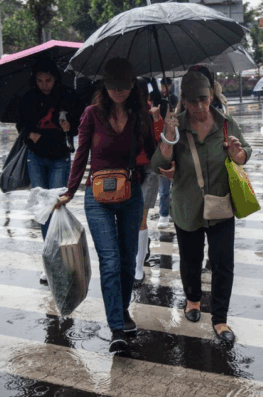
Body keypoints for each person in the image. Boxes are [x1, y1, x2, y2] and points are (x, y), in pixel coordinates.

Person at [55, 58, 156, 353]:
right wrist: (70, 191)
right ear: (105, 86)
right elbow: (81, 154)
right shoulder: (91, 114)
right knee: (110, 261)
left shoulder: (140, 114)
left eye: (123, 87)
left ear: (132, 85)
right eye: (113, 87)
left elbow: (153, 154)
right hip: (97, 197)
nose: (118, 92)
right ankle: (116, 329)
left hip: (131, 193)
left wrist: (167, 130)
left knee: (127, 260)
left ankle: (121, 311)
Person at [151, 66, 252, 343]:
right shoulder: (177, 126)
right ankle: (193, 299)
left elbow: (246, 151)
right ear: (183, 100)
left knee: (223, 263)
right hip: (187, 206)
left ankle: (220, 319)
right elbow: (158, 164)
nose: (199, 107)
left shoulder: (225, 123)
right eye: (193, 101)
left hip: (220, 205)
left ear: (211, 96)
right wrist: (168, 134)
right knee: (191, 260)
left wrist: (239, 154)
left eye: (204, 100)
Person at [17, 59, 82, 284]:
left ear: (56, 79)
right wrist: (29, 134)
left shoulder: (67, 96)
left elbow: (78, 123)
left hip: (60, 158)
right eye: (40, 81)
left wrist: (69, 127)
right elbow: (20, 124)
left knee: (56, 207)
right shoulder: (28, 98)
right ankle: (50, 260)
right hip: (35, 158)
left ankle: (60, 257)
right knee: (44, 209)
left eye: (49, 80)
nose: (45, 85)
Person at [133, 80, 166, 285]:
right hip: (129, 171)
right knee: (132, 218)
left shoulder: (152, 113)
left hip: (149, 169)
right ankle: (141, 249)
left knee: (141, 217)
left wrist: (157, 119)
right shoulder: (124, 112)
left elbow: (161, 140)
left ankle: (138, 268)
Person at [156, 77, 179, 229]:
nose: (163, 88)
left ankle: (174, 211)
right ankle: (164, 214)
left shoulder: (174, 99)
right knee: (164, 186)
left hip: (175, 143)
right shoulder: (158, 99)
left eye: (166, 85)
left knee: (177, 185)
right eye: (162, 85)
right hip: (162, 142)